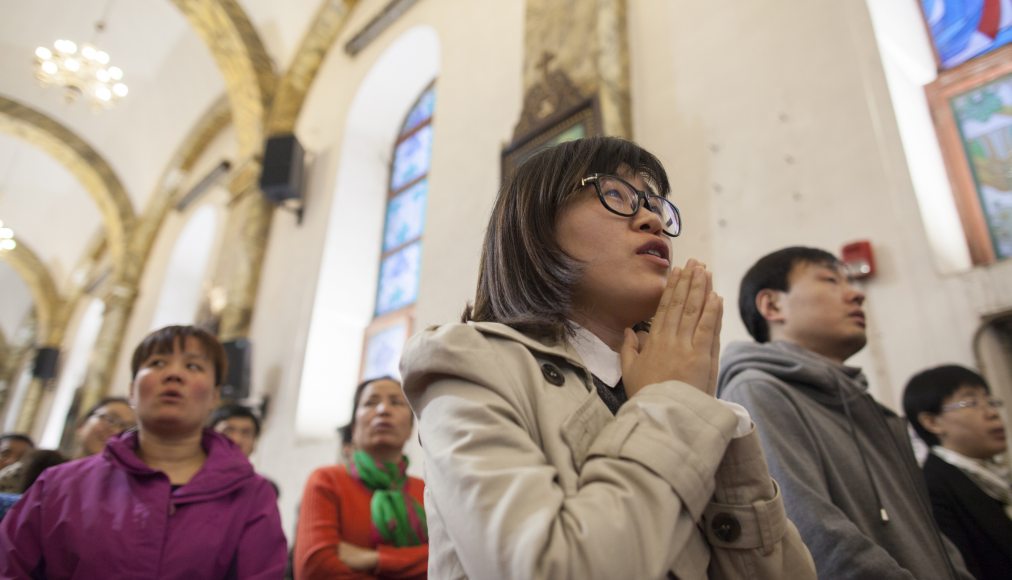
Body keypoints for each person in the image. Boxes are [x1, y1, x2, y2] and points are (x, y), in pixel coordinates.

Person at [400, 137, 814, 579]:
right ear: (536, 227)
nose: (653, 218)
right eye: (616, 193)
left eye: (656, 204)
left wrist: (717, 420)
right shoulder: (467, 361)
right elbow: (550, 568)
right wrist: (672, 402)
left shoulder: (674, 383)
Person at [718, 246, 973, 579]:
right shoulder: (758, 391)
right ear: (772, 304)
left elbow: (928, 536)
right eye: (830, 280)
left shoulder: (873, 412)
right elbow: (814, 536)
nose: (856, 295)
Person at [0, 325, 287, 578]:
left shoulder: (250, 497)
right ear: (132, 391)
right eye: (158, 363)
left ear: (213, 396)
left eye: (193, 367)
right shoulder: (58, 485)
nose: (174, 374)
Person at [294, 377, 427, 579]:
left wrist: (375, 559)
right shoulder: (327, 481)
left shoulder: (427, 491)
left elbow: (454, 560)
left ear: (411, 428)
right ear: (354, 427)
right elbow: (316, 570)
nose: (383, 410)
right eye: (370, 403)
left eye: (396, 402)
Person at [903, 364, 1012, 580]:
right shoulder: (933, 490)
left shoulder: (995, 479)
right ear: (932, 422)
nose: (992, 412)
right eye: (971, 402)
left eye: (990, 401)